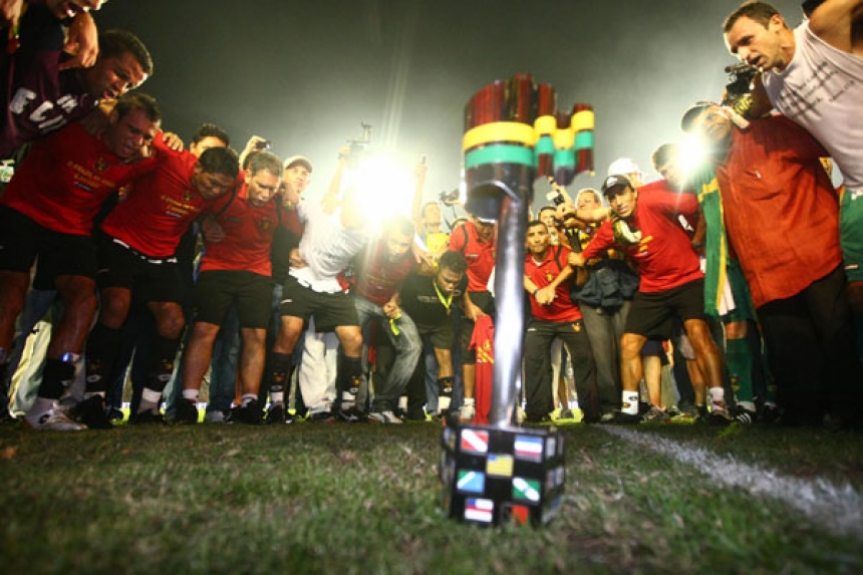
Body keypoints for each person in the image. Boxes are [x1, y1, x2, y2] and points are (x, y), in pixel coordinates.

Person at [682, 100, 863, 428]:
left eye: (711, 115)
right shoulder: (708, 172)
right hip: (766, 275)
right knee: (790, 352)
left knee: (836, 341)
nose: (708, 125)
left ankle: (850, 413)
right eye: (699, 128)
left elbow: (835, 139)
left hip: (818, 257)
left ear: (726, 110)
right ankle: (803, 416)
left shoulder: (772, 132)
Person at [0, 92, 161, 430]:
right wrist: (93, 108)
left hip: (72, 228)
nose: (137, 142)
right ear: (113, 119)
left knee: (84, 301)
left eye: (146, 136)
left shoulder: (143, 158)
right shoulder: (73, 127)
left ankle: (44, 407)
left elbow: (182, 163)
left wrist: (161, 142)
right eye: (132, 130)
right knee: (11, 297)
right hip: (24, 212)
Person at [80, 136, 239, 427]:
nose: (215, 192)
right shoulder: (170, 159)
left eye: (222, 188)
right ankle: (93, 398)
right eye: (211, 183)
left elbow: (243, 174)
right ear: (198, 167)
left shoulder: (231, 182)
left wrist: (206, 220)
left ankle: (148, 407)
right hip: (121, 240)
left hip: (161, 254)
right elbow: (138, 133)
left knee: (173, 322)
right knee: (116, 305)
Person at [722, 1, 863, 313]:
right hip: (858, 193)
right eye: (736, 51)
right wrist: (724, 110)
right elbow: (745, 110)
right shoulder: (768, 85)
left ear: (776, 23)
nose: (744, 55)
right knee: (856, 297)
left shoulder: (823, 30)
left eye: (747, 41)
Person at [569, 175, 731, 424]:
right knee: (629, 345)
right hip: (653, 289)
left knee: (698, 337)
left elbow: (697, 205)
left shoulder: (653, 201)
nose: (618, 201)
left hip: (686, 280)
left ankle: (720, 406)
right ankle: (630, 408)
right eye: (612, 197)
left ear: (633, 192)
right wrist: (576, 256)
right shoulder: (613, 227)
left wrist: (699, 239)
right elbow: (584, 255)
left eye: (622, 193)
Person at [175, 151, 282, 425]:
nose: (265, 194)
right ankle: (187, 401)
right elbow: (194, 201)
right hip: (218, 268)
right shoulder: (227, 189)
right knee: (203, 330)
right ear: (247, 176)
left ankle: (249, 403)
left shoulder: (282, 202)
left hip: (257, 273)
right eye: (261, 186)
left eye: (272, 188)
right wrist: (203, 222)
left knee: (255, 336)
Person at [263, 147, 368, 423]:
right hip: (302, 279)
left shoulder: (366, 233)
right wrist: (341, 163)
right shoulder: (320, 210)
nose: (358, 213)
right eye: (354, 205)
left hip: (333, 286)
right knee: (290, 331)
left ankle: (347, 406)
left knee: (353, 339)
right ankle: (275, 404)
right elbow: (290, 205)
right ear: (343, 203)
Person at [2, 19, 152, 156]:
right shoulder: (49, 50)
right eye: (120, 74)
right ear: (96, 53)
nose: (121, 89)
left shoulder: (87, 106)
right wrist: (82, 18)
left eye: (130, 86)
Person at [522, 220, 599, 423]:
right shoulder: (521, 260)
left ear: (549, 236)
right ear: (526, 240)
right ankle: (538, 412)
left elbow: (575, 273)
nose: (537, 238)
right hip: (540, 320)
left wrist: (553, 286)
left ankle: (591, 412)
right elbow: (520, 277)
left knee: (584, 359)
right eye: (532, 235)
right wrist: (538, 291)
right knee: (533, 359)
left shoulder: (562, 253)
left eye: (541, 233)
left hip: (569, 316)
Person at [351, 216, 421, 424]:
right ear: (385, 237)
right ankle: (356, 406)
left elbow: (404, 284)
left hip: (387, 305)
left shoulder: (412, 259)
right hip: (360, 299)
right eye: (394, 242)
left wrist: (395, 299)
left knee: (413, 345)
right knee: (354, 346)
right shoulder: (368, 246)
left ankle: (383, 405)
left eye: (404, 244)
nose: (398, 249)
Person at [401, 250, 468, 419]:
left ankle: (443, 410)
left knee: (445, 358)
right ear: (438, 270)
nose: (451, 286)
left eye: (455, 281)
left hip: (441, 322)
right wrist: (393, 303)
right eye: (447, 280)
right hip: (415, 321)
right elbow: (400, 295)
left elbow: (460, 299)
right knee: (412, 360)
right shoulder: (419, 278)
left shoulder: (463, 282)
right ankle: (403, 406)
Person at [447, 214, 495, 421]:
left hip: (497, 294)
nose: (486, 229)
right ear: (473, 218)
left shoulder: (504, 233)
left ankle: (509, 402)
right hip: (470, 295)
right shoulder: (462, 234)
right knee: (468, 349)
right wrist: (466, 303)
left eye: (490, 223)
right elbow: (452, 270)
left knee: (502, 349)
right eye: (482, 223)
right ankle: (468, 403)